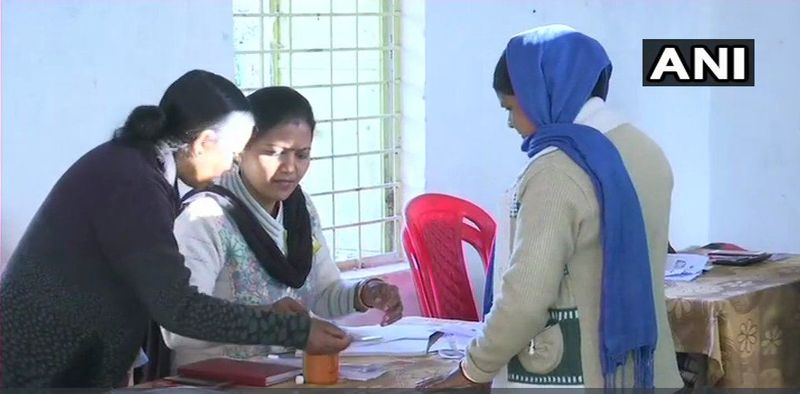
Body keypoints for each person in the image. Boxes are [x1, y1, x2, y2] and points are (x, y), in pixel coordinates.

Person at [0, 70, 351, 388]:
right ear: (203, 144)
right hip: (38, 371)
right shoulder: (132, 184)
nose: (231, 166)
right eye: (232, 154)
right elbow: (179, 310)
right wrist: (295, 331)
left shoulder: (136, 168)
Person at [418, 25, 682, 390]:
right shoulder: (646, 150)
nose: (511, 122)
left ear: (538, 92)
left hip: (573, 374)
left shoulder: (557, 169)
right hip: (641, 371)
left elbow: (525, 299)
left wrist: (473, 370)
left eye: (510, 106)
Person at [161, 86, 403, 370]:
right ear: (241, 150)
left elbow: (322, 295)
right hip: (216, 381)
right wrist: (270, 321)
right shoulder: (206, 218)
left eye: (302, 155)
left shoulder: (299, 209)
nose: (290, 168)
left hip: (285, 376)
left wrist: (365, 293)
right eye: (274, 153)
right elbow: (177, 330)